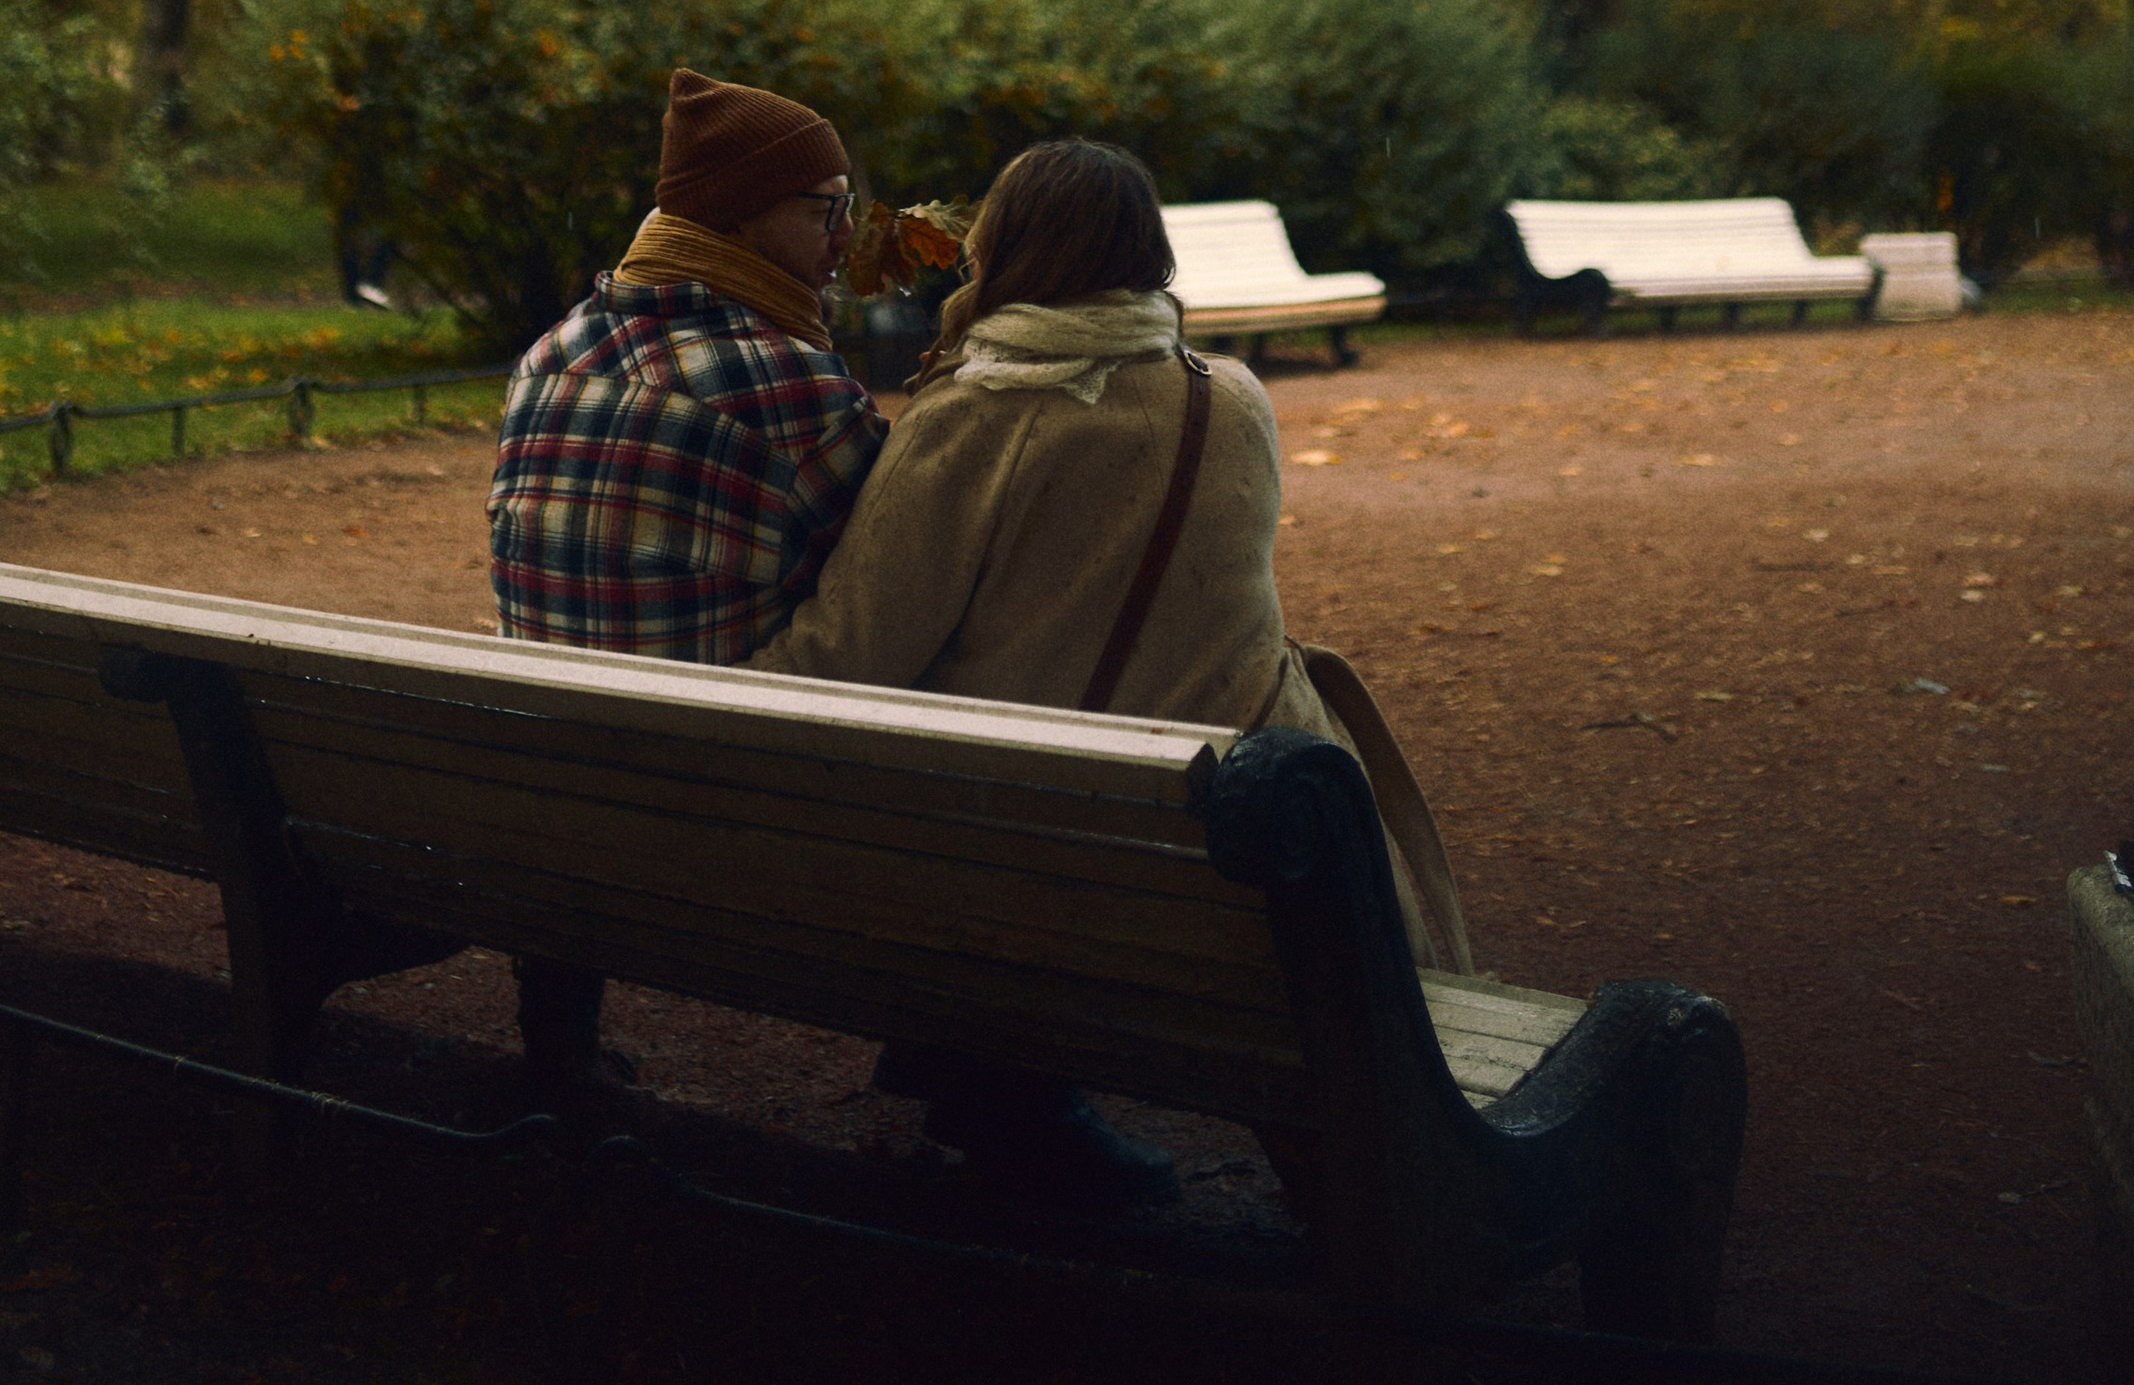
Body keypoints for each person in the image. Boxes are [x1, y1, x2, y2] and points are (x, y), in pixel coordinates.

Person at [753, 137, 1471, 1205]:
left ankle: (1000, 1096)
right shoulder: (1230, 398)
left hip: (1043, 854)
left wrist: (722, 678)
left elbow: (851, 654)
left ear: (1001, 249)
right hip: (1253, 845)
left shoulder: (973, 415)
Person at [488, 59, 885, 1094]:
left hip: (539, 778)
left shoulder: (551, 351)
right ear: (744, 216)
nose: (845, 238)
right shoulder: (792, 384)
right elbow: (894, 581)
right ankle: (1003, 1096)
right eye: (826, 210)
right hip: (710, 802)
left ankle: (558, 1035)